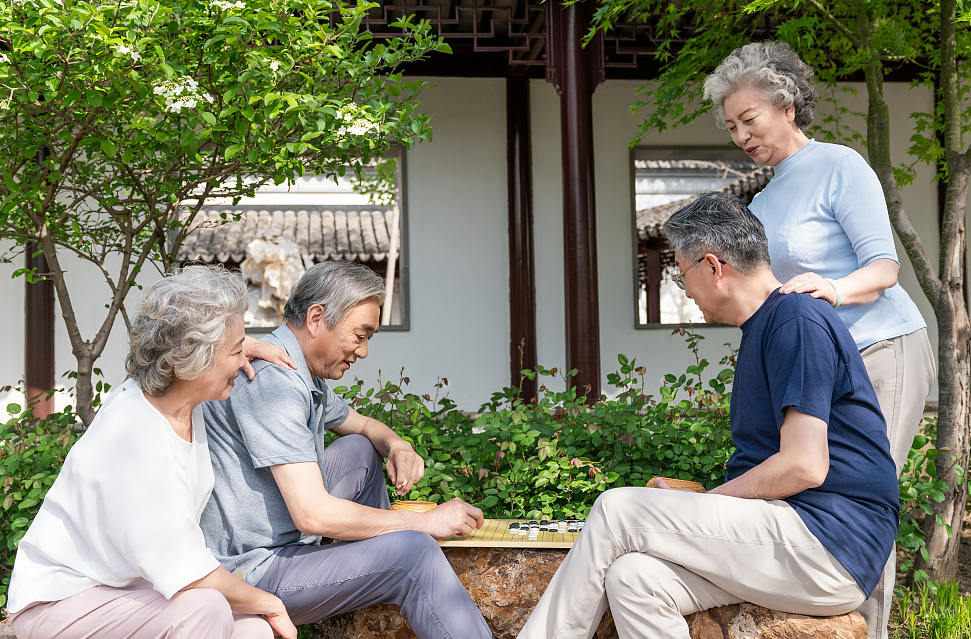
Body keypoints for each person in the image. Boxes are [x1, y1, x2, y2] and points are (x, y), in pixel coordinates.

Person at [517, 191, 899, 639]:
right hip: (792, 538)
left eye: (681, 276)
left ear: (713, 267)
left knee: (616, 510)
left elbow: (804, 464)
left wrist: (696, 505)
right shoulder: (767, 326)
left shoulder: (797, 320)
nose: (684, 290)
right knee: (635, 578)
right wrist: (686, 506)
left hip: (829, 542)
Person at [702, 41, 935, 638]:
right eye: (732, 126)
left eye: (748, 119)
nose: (741, 135)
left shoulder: (840, 165)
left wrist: (831, 290)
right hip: (818, 366)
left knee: (857, 502)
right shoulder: (763, 198)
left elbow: (885, 269)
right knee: (811, 500)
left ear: (785, 106)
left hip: (880, 349)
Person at [200, 260, 492, 639]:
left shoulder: (299, 367)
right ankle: (400, 570)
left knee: (359, 449)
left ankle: (383, 574)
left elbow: (366, 426)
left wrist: (397, 444)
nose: (365, 351)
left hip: (284, 538)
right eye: (360, 334)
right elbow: (312, 515)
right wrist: (424, 523)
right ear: (317, 318)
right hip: (252, 569)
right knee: (414, 552)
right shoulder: (273, 380)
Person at [7, 266, 297, 639]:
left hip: (127, 595)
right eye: (236, 351)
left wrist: (241, 346)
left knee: (252, 631)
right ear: (196, 358)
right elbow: (190, 573)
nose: (244, 362)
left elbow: (179, 344)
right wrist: (271, 601)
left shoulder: (182, 401)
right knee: (206, 606)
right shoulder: (134, 432)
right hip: (61, 602)